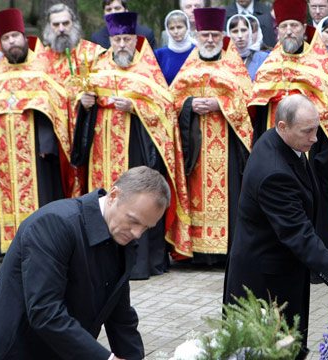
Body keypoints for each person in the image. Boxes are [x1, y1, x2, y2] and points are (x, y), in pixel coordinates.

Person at [0, 166, 169, 360]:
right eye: (133, 220)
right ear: (113, 196)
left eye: (146, 227)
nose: (137, 234)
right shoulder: (54, 223)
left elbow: (120, 316)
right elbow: (45, 312)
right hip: (12, 352)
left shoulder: (122, 237)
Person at [224, 94, 328, 360]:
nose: (315, 138)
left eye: (317, 128)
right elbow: (298, 233)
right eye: (308, 131)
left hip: (281, 269)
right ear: (282, 126)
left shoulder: (280, 142)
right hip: (264, 283)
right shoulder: (274, 173)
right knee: (271, 350)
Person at [71, 11, 190, 280]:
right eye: (117, 39)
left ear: (136, 40)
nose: (122, 44)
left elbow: (165, 110)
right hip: (100, 151)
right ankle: (97, 261)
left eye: (127, 38)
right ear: (110, 40)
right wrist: (85, 103)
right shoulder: (97, 67)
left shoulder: (148, 70)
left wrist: (136, 107)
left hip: (135, 148)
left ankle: (139, 264)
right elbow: (80, 103)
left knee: (137, 202)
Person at [250, 0, 328, 262]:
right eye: (284, 26)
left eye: (294, 25)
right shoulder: (269, 66)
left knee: (314, 205)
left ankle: (320, 263)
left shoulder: (319, 65)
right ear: (277, 29)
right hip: (276, 152)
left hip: (314, 154)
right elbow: (256, 110)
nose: (289, 31)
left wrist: (322, 158)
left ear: (304, 29)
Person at [0, 8, 69, 257]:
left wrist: (47, 145)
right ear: (1, 43)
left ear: (24, 37)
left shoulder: (42, 67)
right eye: (6, 38)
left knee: (39, 197)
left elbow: (52, 110)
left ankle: (40, 246)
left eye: (15, 36)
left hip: (35, 152)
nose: (12, 42)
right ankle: (6, 249)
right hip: (1, 154)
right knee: (5, 198)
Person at [169, 7, 253, 264]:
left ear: (221, 35)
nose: (209, 40)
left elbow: (248, 100)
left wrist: (221, 105)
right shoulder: (189, 65)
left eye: (215, 35)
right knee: (194, 195)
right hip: (195, 148)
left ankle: (227, 253)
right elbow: (171, 100)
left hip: (226, 146)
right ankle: (198, 253)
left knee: (229, 196)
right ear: (197, 34)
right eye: (205, 34)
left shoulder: (233, 64)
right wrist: (190, 105)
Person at [39, 3, 105, 197]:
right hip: (53, 142)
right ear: (48, 27)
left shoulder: (93, 54)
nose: (61, 29)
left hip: (85, 137)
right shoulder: (40, 58)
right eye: (56, 24)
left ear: (74, 23)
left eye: (65, 23)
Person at [90, 0, 157, 49]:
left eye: (117, 8)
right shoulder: (97, 38)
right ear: (104, 13)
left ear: (126, 10)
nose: (113, 12)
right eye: (109, 9)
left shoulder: (145, 34)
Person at [154, 10, 195, 85]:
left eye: (179, 27)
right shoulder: (159, 54)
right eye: (172, 28)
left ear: (187, 27)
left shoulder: (197, 51)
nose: (176, 31)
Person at [226, 14, 268, 80]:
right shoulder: (224, 60)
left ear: (250, 32)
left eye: (243, 30)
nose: (240, 36)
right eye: (235, 31)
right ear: (229, 34)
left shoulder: (263, 58)